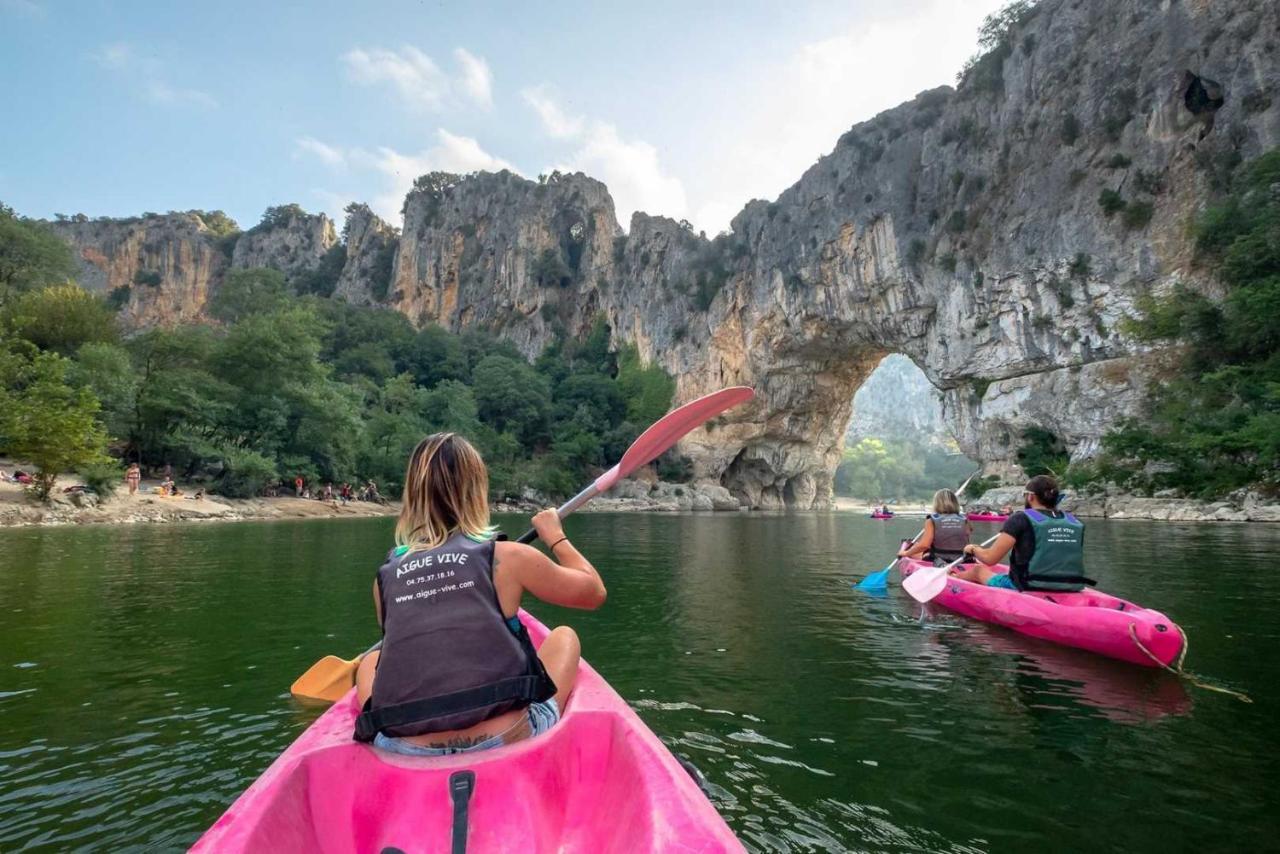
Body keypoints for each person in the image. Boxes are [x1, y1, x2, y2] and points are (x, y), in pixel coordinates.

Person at [354, 433, 606, 756]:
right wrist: (555, 536)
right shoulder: (508, 557)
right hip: (506, 736)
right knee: (565, 636)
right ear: (476, 491)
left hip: (402, 747)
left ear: (413, 496)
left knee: (370, 661)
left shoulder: (385, 577)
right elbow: (593, 591)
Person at [952, 475, 1094, 592]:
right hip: (1072, 585)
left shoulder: (1020, 519)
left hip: (1027, 585)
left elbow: (990, 559)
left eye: (1024, 495)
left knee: (978, 571)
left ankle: (952, 579)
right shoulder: (1074, 521)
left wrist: (972, 549)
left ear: (1030, 497)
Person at [898, 488, 971, 565]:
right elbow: (964, 541)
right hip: (962, 559)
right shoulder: (964, 519)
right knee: (919, 548)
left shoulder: (932, 520)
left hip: (939, 560)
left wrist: (906, 553)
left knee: (914, 552)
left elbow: (924, 545)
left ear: (937, 503)